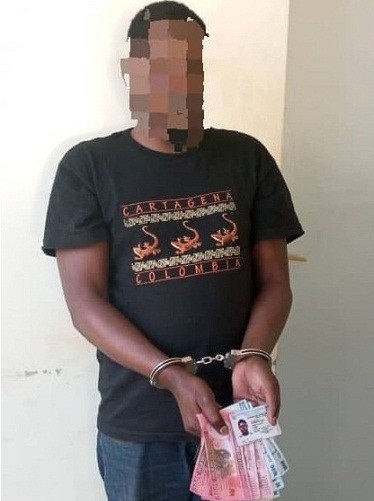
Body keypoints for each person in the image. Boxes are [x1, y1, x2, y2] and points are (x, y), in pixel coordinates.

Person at [42, 2, 304, 500]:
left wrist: (255, 355)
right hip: (139, 428)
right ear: (131, 71)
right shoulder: (89, 168)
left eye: (191, 66)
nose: (178, 82)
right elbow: (85, 302)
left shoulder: (246, 157)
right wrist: (170, 376)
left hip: (237, 418)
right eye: (160, 65)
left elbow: (275, 282)